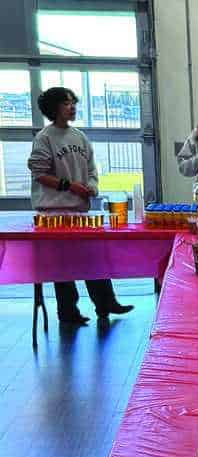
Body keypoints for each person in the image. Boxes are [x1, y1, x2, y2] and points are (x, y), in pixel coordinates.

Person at [27, 86, 133, 325]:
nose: (72, 107)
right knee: (62, 266)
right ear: (54, 108)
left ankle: (106, 303)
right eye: (66, 103)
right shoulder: (44, 138)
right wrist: (69, 185)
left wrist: (92, 186)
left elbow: (91, 168)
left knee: (93, 258)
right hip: (54, 211)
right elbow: (39, 173)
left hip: (78, 209)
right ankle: (68, 312)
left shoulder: (79, 136)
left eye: (73, 102)